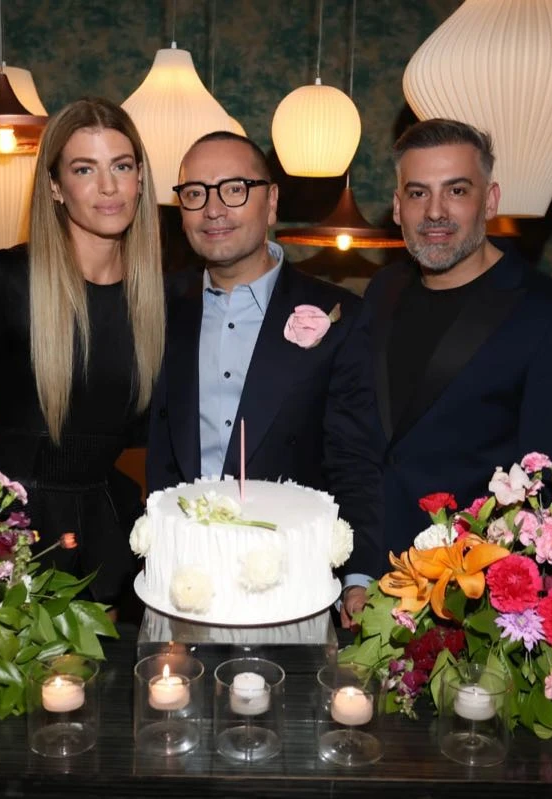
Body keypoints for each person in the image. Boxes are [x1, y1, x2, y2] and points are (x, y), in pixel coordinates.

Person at [0, 97, 164, 613]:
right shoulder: (4, 279)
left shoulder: (162, 300)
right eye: (85, 169)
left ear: (141, 178)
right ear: (55, 186)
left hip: (106, 527)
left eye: (121, 166)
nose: (108, 187)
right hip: (5, 530)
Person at [144, 131, 385, 625]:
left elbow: (355, 459)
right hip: (180, 579)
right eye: (195, 193)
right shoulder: (157, 309)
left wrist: (360, 576)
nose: (213, 209)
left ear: (271, 201)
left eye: (234, 188)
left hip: (292, 587)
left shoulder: (339, 317)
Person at [366, 118, 552, 554]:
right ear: (398, 207)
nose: (435, 211)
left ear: (490, 200)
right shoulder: (384, 290)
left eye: (457, 191)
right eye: (418, 193)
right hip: (366, 565)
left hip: (470, 591)